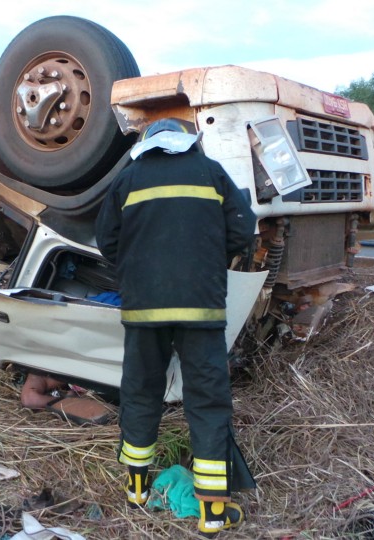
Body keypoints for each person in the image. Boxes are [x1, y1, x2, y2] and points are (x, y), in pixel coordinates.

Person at [95, 117, 257, 537]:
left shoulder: (128, 178)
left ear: (148, 144)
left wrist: (138, 268)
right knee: (207, 400)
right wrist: (202, 259)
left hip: (144, 309)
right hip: (200, 309)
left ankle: (136, 490)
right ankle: (213, 513)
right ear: (187, 142)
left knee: (140, 392)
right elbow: (242, 230)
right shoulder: (212, 172)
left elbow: (106, 241)